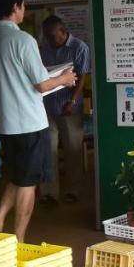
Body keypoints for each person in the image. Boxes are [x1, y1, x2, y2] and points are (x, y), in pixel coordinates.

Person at [0, 0, 77, 244]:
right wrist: (65, 78)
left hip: (6, 123)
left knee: (17, 175)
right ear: (16, 7)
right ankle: (18, 239)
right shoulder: (22, 40)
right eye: (23, 5)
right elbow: (42, 84)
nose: (24, 10)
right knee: (28, 183)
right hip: (30, 123)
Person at [39, 16, 91, 205]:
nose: (50, 40)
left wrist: (72, 100)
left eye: (53, 36)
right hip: (47, 106)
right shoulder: (44, 50)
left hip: (70, 107)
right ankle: (49, 192)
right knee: (48, 150)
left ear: (63, 31)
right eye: (47, 37)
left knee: (73, 149)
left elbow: (82, 78)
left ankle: (73, 190)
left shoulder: (79, 48)